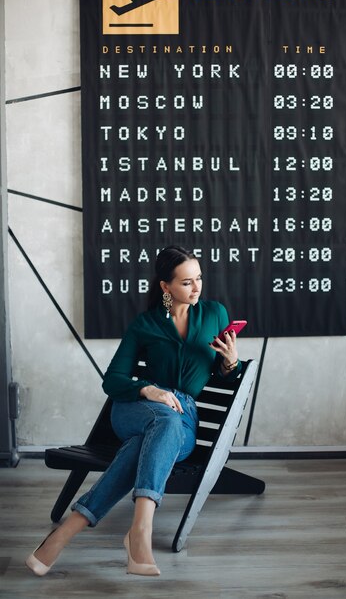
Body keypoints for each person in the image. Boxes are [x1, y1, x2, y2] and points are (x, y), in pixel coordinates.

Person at [26, 245, 242, 577]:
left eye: (199, 278)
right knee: (161, 418)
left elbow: (219, 372)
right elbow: (113, 380)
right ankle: (140, 532)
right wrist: (148, 389)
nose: (197, 287)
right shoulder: (145, 324)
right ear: (165, 286)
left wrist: (230, 363)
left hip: (183, 421)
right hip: (136, 409)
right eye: (186, 282)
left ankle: (64, 533)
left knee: (159, 431)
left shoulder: (214, 313)